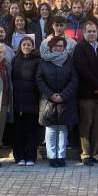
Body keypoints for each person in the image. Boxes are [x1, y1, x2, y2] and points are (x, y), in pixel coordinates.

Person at [36, 36, 78, 167]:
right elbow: (39, 79)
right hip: (48, 101)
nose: (58, 48)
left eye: (61, 46)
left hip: (65, 100)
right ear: (51, 47)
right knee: (51, 129)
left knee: (62, 129)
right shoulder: (43, 61)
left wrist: (63, 95)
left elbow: (74, 79)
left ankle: (61, 156)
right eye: (56, 46)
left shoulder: (70, 60)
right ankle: (52, 156)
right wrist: (51, 95)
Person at [73, 20, 98, 166]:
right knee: (86, 124)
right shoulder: (80, 48)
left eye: (94, 31)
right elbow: (82, 70)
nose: (92, 34)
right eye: (89, 31)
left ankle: (96, 154)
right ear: (84, 32)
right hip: (86, 94)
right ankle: (85, 154)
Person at [11, 36, 40, 166]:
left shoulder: (37, 60)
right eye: (24, 45)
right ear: (20, 47)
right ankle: (19, 156)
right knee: (18, 131)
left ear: (32, 46)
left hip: (32, 102)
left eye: (29, 45)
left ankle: (31, 156)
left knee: (31, 131)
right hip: (17, 101)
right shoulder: (15, 59)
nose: (26, 47)